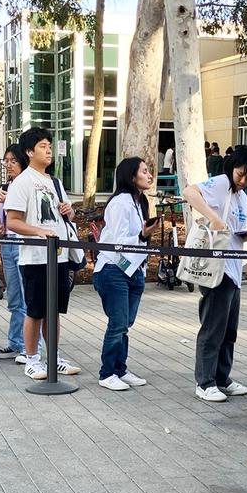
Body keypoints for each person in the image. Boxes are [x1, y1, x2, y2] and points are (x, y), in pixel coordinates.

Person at [182, 145, 247, 402]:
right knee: (213, 328)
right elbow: (189, 192)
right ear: (232, 167)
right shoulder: (220, 183)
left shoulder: (242, 196)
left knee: (229, 330)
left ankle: (221, 378)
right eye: (240, 174)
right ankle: (204, 381)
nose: (243, 180)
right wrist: (213, 218)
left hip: (234, 269)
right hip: (218, 269)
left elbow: (234, 231)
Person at [3, 126, 81, 380]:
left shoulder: (54, 182)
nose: (48, 151)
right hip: (34, 258)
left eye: (49, 146)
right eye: (42, 146)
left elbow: (67, 218)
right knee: (35, 311)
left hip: (59, 255)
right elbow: (12, 221)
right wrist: (38, 231)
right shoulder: (22, 182)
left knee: (53, 311)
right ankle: (31, 359)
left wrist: (69, 211)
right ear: (29, 152)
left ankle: (53, 357)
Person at [93, 156, 159, 391]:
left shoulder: (139, 202)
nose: (149, 175)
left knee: (124, 324)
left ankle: (120, 369)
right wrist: (142, 235)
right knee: (118, 323)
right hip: (114, 269)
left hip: (134, 270)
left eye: (148, 171)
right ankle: (107, 373)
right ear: (131, 176)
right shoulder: (121, 202)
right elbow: (118, 241)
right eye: (144, 171)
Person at [0, 144, 27, 360]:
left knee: (26, 296)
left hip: (24, 243)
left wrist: (8, 200)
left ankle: (29, 347)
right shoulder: (8, 186)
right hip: (7, 242)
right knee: (13, 296)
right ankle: (15, 343)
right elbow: (6, 220)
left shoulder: (27, 184)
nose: (9, 165)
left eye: (13, 161)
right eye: (6, 161)